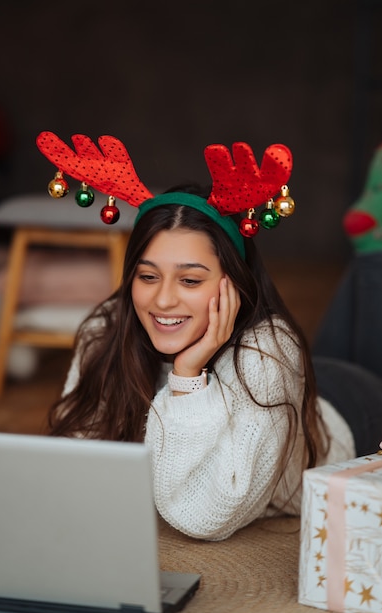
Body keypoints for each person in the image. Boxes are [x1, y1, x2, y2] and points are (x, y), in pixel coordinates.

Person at [36, 132, 382, 541]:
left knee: (370, 279)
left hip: (350, 409)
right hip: (298, 386)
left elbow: (203, 517)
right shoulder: (106, 329)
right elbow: (79, 461)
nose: (163, 299)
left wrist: (187, 374)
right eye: (148, 276)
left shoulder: (268, 353)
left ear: (232, 282)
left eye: (190, 279)